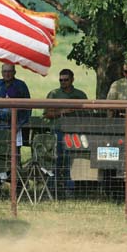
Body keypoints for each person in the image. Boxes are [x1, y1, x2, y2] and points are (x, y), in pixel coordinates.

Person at [43, 69, 88, 198]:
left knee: (71, 160)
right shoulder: (54, 94)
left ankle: (70, 188)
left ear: (72, 79)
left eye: (66, 80)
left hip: (76, 132)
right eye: (61, 80)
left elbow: (87, 114)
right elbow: (47, 114)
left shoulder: (80, 95)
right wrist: (63, 111)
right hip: (58, 131)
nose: (63, 82)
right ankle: (53, 187)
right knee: (56, 159)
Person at [0, 64, 31, 164]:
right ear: (1, 73)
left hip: (15, 126)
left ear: (14, 72)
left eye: (9, 71)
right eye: (5, 71)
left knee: (14, 153)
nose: (7, 74)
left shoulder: (21, 85)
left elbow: (28, 106)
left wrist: (19, 125)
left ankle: (15, 176)